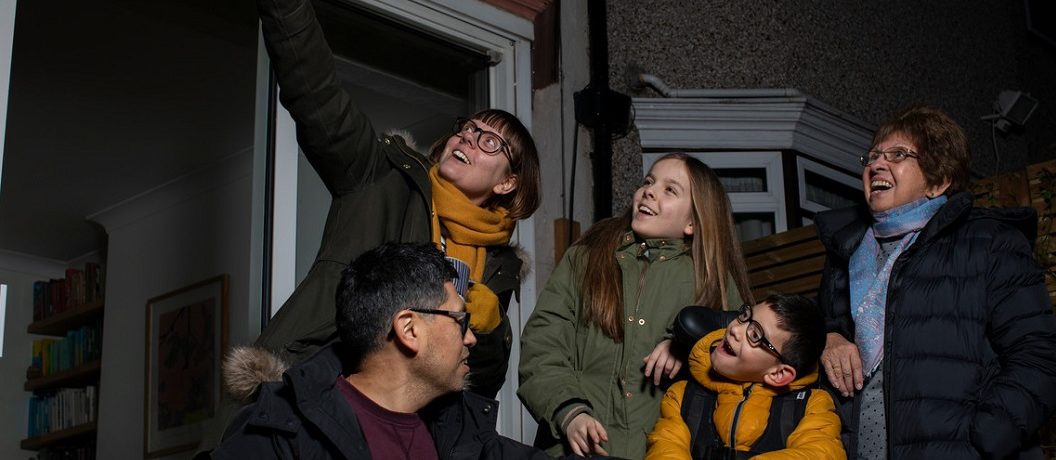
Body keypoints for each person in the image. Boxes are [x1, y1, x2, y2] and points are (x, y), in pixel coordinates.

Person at [251, 0, 541, 401]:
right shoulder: (383, 178)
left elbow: (480, 385)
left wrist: (489, 329)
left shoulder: (496, 266)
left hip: (408, 427)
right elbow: (316, 95)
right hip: (310, 396)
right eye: (468, 129)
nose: (468, 138)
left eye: (489, 141)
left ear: (509, 182)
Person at [816, 106, 1056, 458]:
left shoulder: (989, 243)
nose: (876, 165)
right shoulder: (846, 253)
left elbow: (1041, 358)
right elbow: (818, 328)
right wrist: (827, 338)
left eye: (898, 154)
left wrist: (981, 441)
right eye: (872, 156)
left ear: (938, 181)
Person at [211, 242, 572, 460]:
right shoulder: (281, 433)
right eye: (460, 321)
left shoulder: (457, 434)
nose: (471, 339)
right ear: (410, 329)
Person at [518, 152, 754, 459]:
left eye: (670, 190)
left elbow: (747, 355)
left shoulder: (712, 281)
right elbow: (542, 342)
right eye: (649, 181)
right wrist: (569, 412)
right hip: (574, 448)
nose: (650, 191)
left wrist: (688, 345)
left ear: (693, 223)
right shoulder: (587, 257)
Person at [645, 295, 845, 459]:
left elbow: (821, 453)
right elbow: (665, 448)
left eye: (755, 335)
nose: (735, 329)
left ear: (779, 373)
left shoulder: (812, 405)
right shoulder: (681, 396)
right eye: (744, 316)